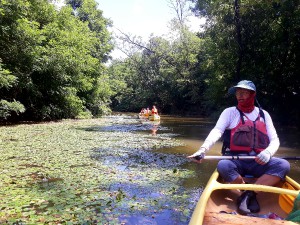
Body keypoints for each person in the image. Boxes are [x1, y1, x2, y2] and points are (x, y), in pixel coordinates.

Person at [187, 80, 290, 215]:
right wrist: (203, 149)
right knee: (223, 165)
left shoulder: (264, 115)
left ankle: (249, 193)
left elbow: (275, 139)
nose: (240, 96)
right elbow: (217, 130)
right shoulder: (229, 112)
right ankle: (246, 192)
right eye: (237, 93)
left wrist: (268, 152)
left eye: (244, 92)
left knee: (283, 165)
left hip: (259, 160)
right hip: (237, 161)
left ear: (252, 95)